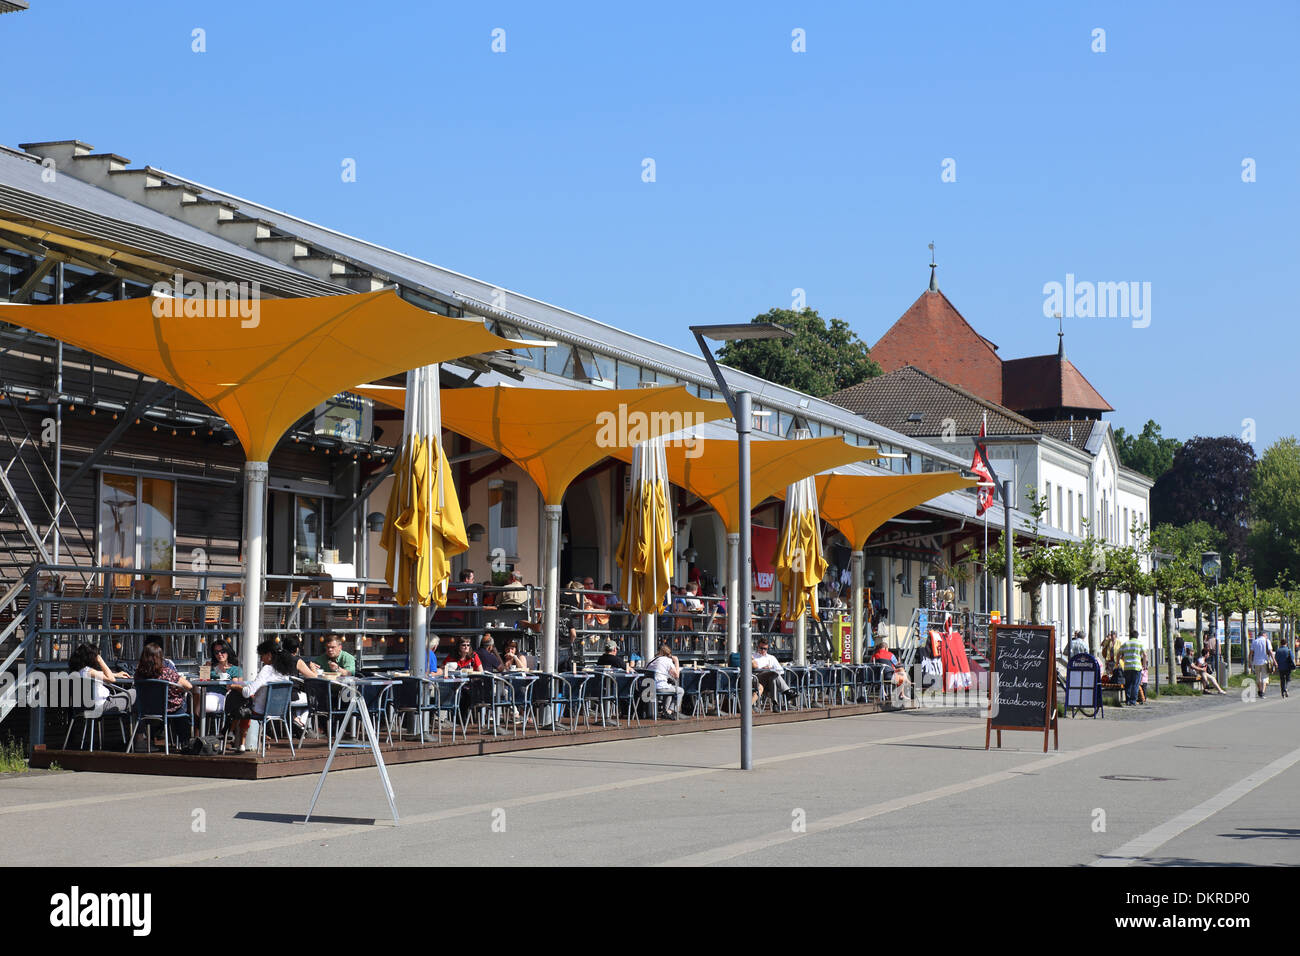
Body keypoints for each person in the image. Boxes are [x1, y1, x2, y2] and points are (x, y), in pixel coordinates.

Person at [224, 639, 291, 753]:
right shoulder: (285, 672)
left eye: (262, 656)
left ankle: (228, 731)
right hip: (278, 710)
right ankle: (235, 736)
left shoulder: (267, 669)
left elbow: (247, 691)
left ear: (269, 655)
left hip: (261, 710)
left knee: (238, 697)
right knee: (244, 702)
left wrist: (234, 686)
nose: (261, 659)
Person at [67, 643, 135, 716]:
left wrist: (116, 674)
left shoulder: (78, 672)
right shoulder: (88, 671)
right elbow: (111, 679)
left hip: (84, 708)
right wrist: (100, 660)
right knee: (134, 692)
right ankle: (138, 723)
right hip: (102, 706)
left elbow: (100, 674)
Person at [753, 638, 799, 707]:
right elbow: (752, 669)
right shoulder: (753, 656)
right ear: (758, 647)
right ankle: (787, 691)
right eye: (761, 648)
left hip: (770, 681)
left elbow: (781, 670)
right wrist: (762, 668)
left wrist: (771, 669)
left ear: (767, 648)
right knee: (773, 674)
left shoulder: (771, 657)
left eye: (765, 649)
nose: (763, 650)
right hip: (758, 678)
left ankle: (775, 704)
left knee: (773, 678)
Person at [204, 640, 242, 717]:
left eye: (222, 651)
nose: (220, 654)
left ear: (228, 651)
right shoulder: (209, 666)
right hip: (204, 694)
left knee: (198, 705)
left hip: (221, 697)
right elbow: (202, 683)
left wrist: (221, 671)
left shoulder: (235, 669)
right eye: (216, 652)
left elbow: (234, 687)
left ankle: (197, 725)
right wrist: (205, 670)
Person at [648, 642, 685, 718]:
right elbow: (676, 675)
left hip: (649, 687)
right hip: (660, 687)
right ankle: (670, 711)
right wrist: (676, 662)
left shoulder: (652, 660)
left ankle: (665, 711)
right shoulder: (667, 660)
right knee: (680, 691)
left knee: (669, 688)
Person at [1119, 630, 1144, 706]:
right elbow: (1145, 654)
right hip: (1136, 666)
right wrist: (1144, 664)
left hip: (1127, 667)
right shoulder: (1139, 644)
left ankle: (1128, 700)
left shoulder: (1126, 644)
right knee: (1135, 684)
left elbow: (1119, 653)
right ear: (1137, 636)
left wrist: (1117, 662)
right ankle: (1133, 700)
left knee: (1128, 684)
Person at [1249, 630, 1276, 698]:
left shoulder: (1255, 641)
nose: (1266, 636)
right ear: (1264, 634)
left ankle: (1259, 690)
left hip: (1256, 662)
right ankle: (1262, 692)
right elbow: (1270, 651)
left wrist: (1250, 662)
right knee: (1265, 677)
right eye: (1266, 635)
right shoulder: (1267, 641)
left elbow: (1251, 653)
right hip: (1265, 661)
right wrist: (1274, 661)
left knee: (1258, 677)